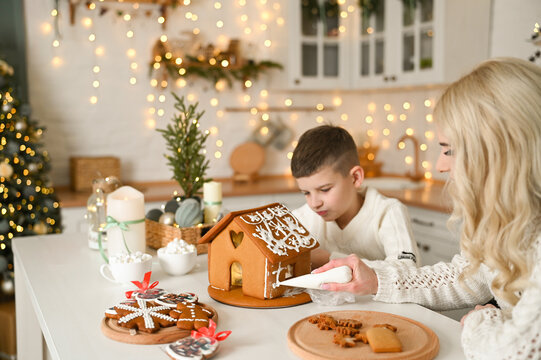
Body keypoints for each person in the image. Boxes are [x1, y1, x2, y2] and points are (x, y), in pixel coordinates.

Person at [314, 57, 541, 359]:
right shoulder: (516, 221)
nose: (440, 165)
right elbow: (468, 277)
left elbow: (509, 352)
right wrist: (376, 279)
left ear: (499, 152)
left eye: (450, 150)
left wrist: (483, 320)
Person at [290, 124, 420, 269]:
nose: (314, 203)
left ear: (355, 178)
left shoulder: (388, 212)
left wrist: (329, 259)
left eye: (325, 189)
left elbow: (407, 269)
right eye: (306, 193)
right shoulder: (303, 217)